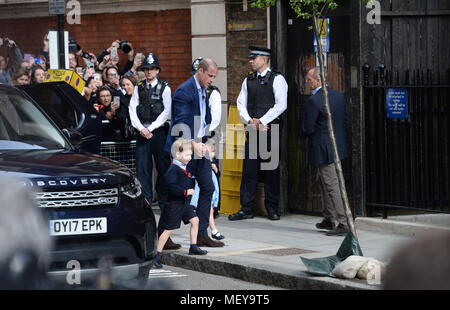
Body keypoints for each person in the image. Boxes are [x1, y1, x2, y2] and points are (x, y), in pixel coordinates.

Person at [164, 58, 224, 247]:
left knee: (208, 187)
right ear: (200, 71)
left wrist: (203, 141)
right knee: (177, 193)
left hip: (200, 146)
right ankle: (164, 235)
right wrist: (192, 143)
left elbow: (204, 118)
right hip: (183, 147)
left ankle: (202, 234)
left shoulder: (204, 91)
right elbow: (180, 122)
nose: (212, 79)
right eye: (210, 75)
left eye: (214, 76)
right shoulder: (184, 91)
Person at [229, 46, 288, 221]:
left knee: (271, 171)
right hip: (253, 131)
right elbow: (241, 103)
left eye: (254, 58)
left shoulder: (277, 79)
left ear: (264, 59)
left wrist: (262, 120)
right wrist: (250, 121)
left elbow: (281, 105)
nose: (250, 61)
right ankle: (246, 208)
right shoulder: (248, 80)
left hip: (271, 131)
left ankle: (272, 208)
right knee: (249, 171)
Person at [129, 53, 174, 247]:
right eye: (146, 69)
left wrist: (152, 128)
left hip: (158, 133)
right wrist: (141, 128)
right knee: (143, 171)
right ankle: (147, 213)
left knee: (163, 171)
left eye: (151, 69)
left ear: (157, 70)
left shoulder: (165, 88)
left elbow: (167, 111)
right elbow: (133, 108)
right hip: (143, 132)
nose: (148, 72)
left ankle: (165, 217)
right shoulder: (138, 88)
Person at [301, 67, 349, 236]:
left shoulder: (315, 101)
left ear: (318, 80)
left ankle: (343, 222)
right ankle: (329, 217)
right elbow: (345, 121)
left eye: (309, 79)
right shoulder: (339, 96)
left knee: (332, 185)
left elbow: (308, 128)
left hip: (322, 149)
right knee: (322, 181)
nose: (307, 82)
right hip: (337, 147)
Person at [153, 138, 208, 268]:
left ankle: (193, 247)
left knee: (195, 221)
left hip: (183, 203)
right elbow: (171, 187)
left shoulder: (184, 167)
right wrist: (185, 192)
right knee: (168, 230)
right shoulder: (173, 169)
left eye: (190, 155)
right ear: (178, 155)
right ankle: (157, 255)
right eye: (187, 155)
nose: (190, 158)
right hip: (174, 204)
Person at [190, 138, 224, 240]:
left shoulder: (212, 160)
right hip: (202, 189)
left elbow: (218, 174)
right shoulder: (201, 160)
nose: (212, 153)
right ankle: (213, 230)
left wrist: (214, 168)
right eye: (211, 150)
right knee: (208, 210)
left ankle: (211, 231)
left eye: (213, 151)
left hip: (212, 189)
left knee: (210, 210)